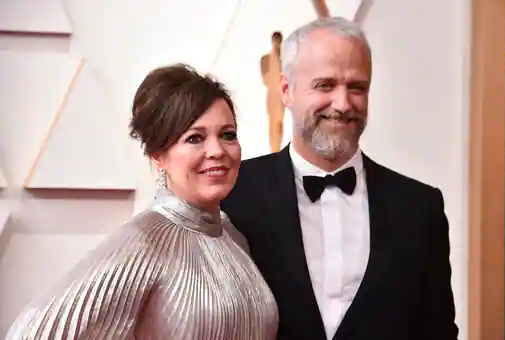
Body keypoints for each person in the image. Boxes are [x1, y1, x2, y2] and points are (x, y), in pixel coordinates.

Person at [221, 17, 459, 340]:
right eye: (325, 85)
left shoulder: (420, 209)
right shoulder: (232, 193)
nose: (343, 104)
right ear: (286, 90)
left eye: (357, 87)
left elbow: (438, 332)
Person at [6, 64, 279, 340]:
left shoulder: (233, 237)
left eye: (228, 135)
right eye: (195, 138)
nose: (217, 150)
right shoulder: (143, 242)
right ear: (158, 154)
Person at [261, 31, 286, 153]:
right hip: (272, 94)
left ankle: (277, 148)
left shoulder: (285, 59)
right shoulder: (265, 59)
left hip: (282, 94)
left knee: (279, 122)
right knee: (273, 122)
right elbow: (264, 78)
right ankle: (273, 150)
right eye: (275, 41)